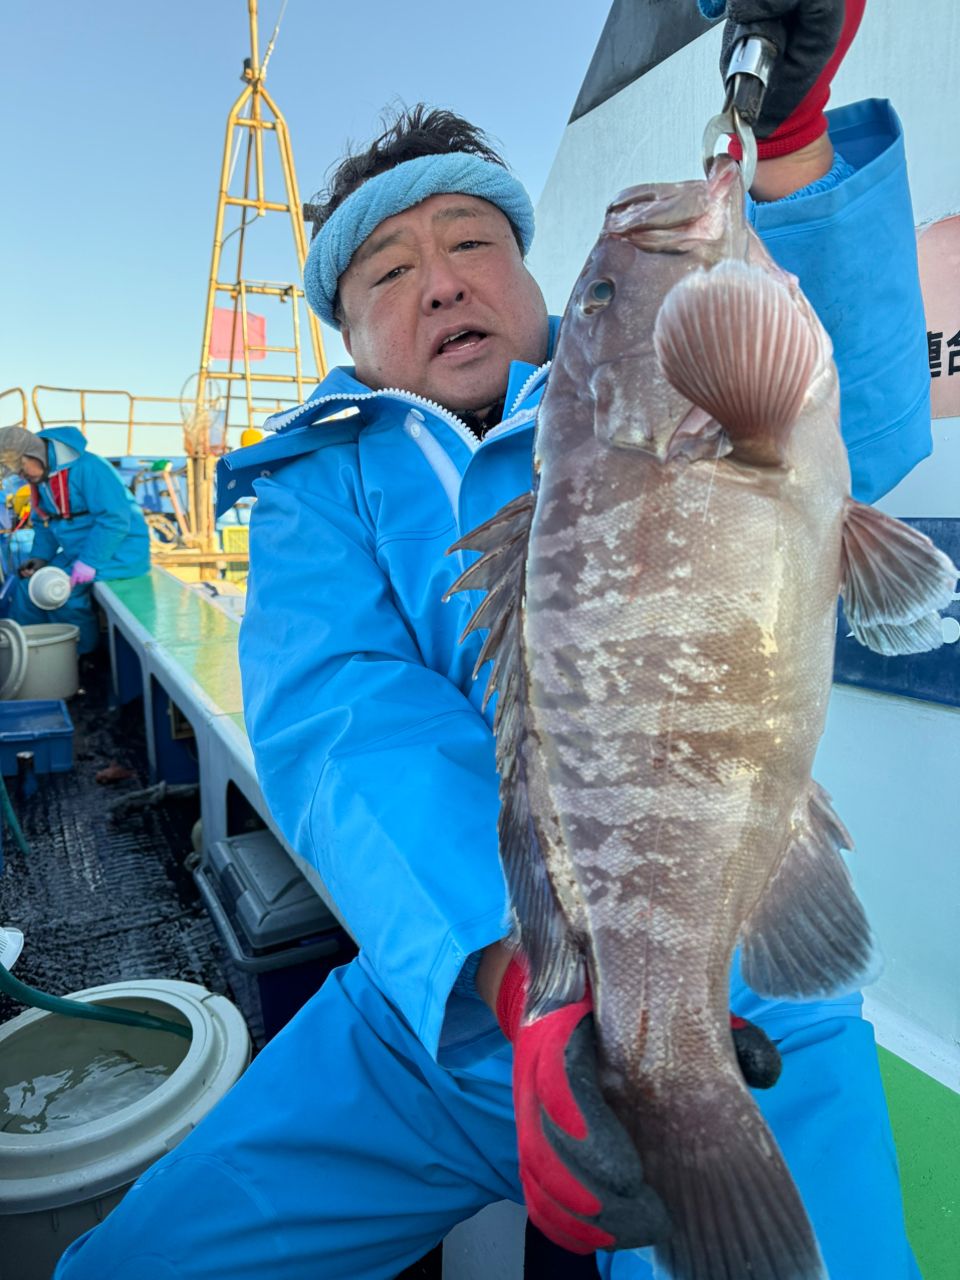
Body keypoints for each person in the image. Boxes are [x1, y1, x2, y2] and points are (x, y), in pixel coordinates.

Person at [56, 2, 929, 1277]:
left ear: (532, 280)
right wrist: (529, 990)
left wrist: (786, 141)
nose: (443, 279)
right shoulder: (315, 484)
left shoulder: (656, 370)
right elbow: (342, 716)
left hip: (733, 987)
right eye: (388, 274)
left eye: (473, 242)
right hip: (451, 1002)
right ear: (349, 340)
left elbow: (861, 421)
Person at [0, 425, 150, 654]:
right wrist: (40, 558)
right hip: (77, 553)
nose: (22, 476)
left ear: (33, 455)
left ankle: (79, 659)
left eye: (20, 469)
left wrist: (90, 562)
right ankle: (24, 654)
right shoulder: (42, 480)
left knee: (59, 593)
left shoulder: (91, 468)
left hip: (119, 552)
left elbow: (115, 520)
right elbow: (44, 523)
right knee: (26, 588)